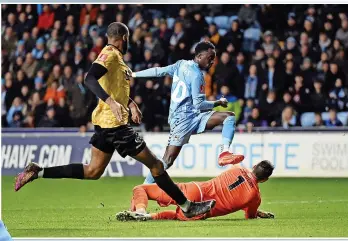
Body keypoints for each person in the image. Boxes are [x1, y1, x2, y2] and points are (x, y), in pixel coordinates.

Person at [14, 22, 215, 219]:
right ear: (124, 39)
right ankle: (187, 206)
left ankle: (37, 172)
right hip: (116, 126)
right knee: (157, 166)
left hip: (104, 124)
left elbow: (113, 87)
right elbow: (89, 78)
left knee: (93, 171)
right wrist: (111, 102)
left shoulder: (115, 57)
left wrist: (130, 103)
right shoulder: (109, 55)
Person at [131, 41, 244, 184]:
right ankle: (143, 189)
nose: (212, 62)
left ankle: (224, 153)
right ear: (199, 56)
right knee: (167, 161)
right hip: (182, 120)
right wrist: (217, 103)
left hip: (192, 116)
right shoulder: (197, 75)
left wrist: (134, 74)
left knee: (228, 117)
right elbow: (199, 104)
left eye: (213, 59)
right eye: (210, 58)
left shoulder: (180, 65)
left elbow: (158, 71)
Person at [115, 160, 275, 221]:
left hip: (195, 190)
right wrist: (256, 212)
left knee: (141, 189)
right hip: (203, 211)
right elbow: (249, 215)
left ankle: (141, 211)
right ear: (265, 180)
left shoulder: (237, 167)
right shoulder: (255, 196)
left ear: (254, 166)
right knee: (179, 215)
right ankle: (149, 217)